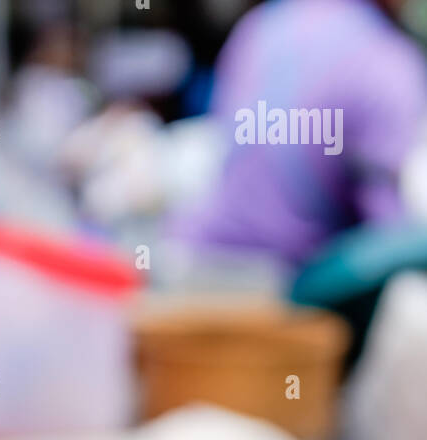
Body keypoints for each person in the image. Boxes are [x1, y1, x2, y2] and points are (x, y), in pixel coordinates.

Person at [172, 0, 427, 267]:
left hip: (200, 257)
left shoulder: (259, 26)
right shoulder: (385, 62)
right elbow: (388, 229)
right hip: (292, 279)